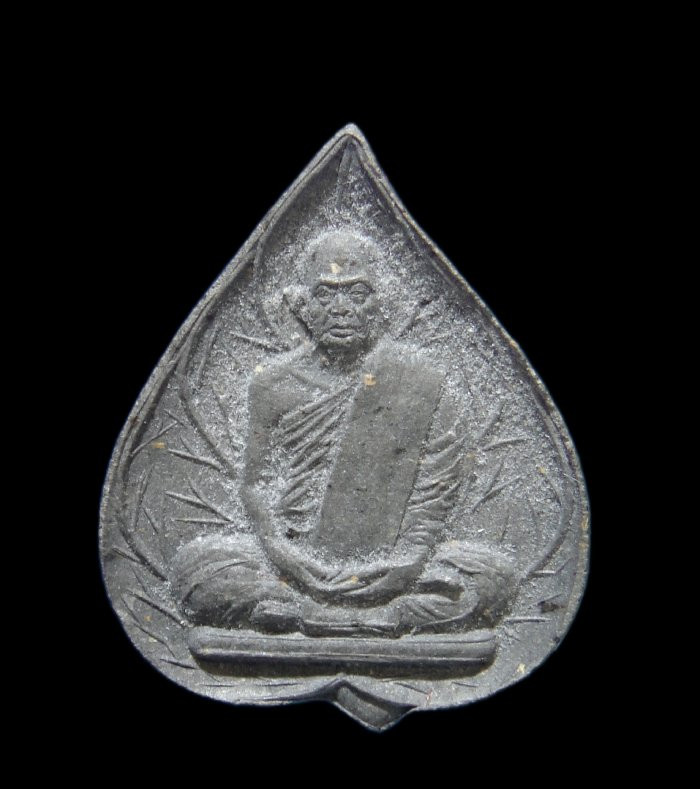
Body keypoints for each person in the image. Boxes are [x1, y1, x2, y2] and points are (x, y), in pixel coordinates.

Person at [172, 229, 515, 636]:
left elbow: (436, 493)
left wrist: (408, 563)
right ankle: (358, 617)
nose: (340, 309)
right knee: (196, 573)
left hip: (395, 567)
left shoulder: (421, 382)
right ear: (301, 305)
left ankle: (331, 616)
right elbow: (256, 485)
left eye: (357, 293)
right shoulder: (272, 384)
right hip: (291, 567)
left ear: (381, 305)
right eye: (324, 294)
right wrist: (283, 555)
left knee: (495, 578)